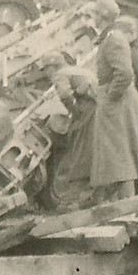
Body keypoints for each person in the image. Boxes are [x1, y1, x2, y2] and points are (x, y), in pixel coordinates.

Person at [89, 0, 138, 202]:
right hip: (117, 100)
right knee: (118, 151)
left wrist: (110, 96)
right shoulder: (111, 37)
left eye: (95, 14)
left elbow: (125, 74)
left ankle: (128, 204)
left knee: (120, 152)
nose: (92, 17)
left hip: (118, 102)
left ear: (102, 16)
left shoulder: (113, 39)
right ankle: (123, 201)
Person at [39, 51, 98, 207]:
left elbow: (65, 94)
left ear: (52, 66)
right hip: (98, 112)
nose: (46, 74)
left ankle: (66, 198)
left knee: (75, 155)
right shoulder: (80, 70)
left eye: (45, 69)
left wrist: (75, 112)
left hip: (87, 114)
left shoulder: (60, 74)